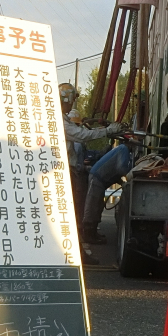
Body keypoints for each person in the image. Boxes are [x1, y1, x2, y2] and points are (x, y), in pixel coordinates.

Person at [58, 83, 121, 235]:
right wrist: (107, 131)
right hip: (68, 173)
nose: (71, 104)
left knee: (75, 210)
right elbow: (82, 135)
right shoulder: (58, 120)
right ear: (65, 100)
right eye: (70, 101)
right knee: (75, 211)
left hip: (69, 171)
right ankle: (77, 247)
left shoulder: (62, 119)